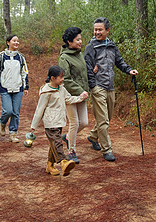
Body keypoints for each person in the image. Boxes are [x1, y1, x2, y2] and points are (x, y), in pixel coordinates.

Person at [84, 17, 138, 161]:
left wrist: (129, 70)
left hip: (110, 87)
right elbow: (88, 67)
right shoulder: (91, 46)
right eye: (95, 29)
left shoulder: (112, 45)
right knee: (103, 121)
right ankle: (107, 150)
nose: (97, 32)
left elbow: (119, 62)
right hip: (98, 87)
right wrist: (93, 86)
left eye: (100, 29)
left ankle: (93, 136)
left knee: (107, 117)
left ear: (107, 30)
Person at [30, 66, 88, 176]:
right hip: (50, 122)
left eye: (63, 77)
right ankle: (63, 162)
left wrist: (81, 98)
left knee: (54, 144)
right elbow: (39, 109)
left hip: (59, 121)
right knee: (57, 142)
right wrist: (34, 125)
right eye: (60, 77)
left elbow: (69, 99)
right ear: (52, 78)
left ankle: (49, 165)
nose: (62, 79)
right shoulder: (46, 92)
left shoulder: (61, 89)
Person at [58, 27, 89, 164]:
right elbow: (66, 79)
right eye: (77, 39)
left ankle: (67, 138)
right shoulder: (64, 58)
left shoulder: (79, 54)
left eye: (80, 39)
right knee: (74, 123)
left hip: (82, 94)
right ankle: (71, 151)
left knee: (84, 122)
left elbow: (82, 73)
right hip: (70, 96)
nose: (80, 41)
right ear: (69, 41)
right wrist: (80, 91)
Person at [0, 35, 29, 143]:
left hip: (18, 88)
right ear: (8, 42)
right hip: (5, 88)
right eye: (14, 41)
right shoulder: (1, 57)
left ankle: (13, 133)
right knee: (8, 110)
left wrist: (26, 87)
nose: (17, 43)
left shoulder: (21, 57)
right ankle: (2, 124)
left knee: (16, 112)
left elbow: (24, 73)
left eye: (18, 41)